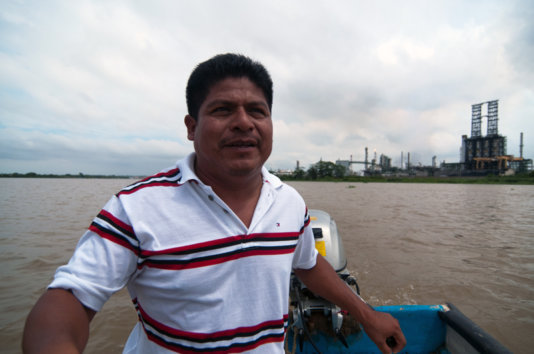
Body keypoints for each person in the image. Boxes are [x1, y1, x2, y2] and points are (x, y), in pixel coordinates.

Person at [22, 53, 406, 353]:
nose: (243, 122)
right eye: (223, 110)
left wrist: (367, 315)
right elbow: (70, 299)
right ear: (191, 127)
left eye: (257, 111)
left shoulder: (289, 202)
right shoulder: (137, 208)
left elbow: (308, 264)